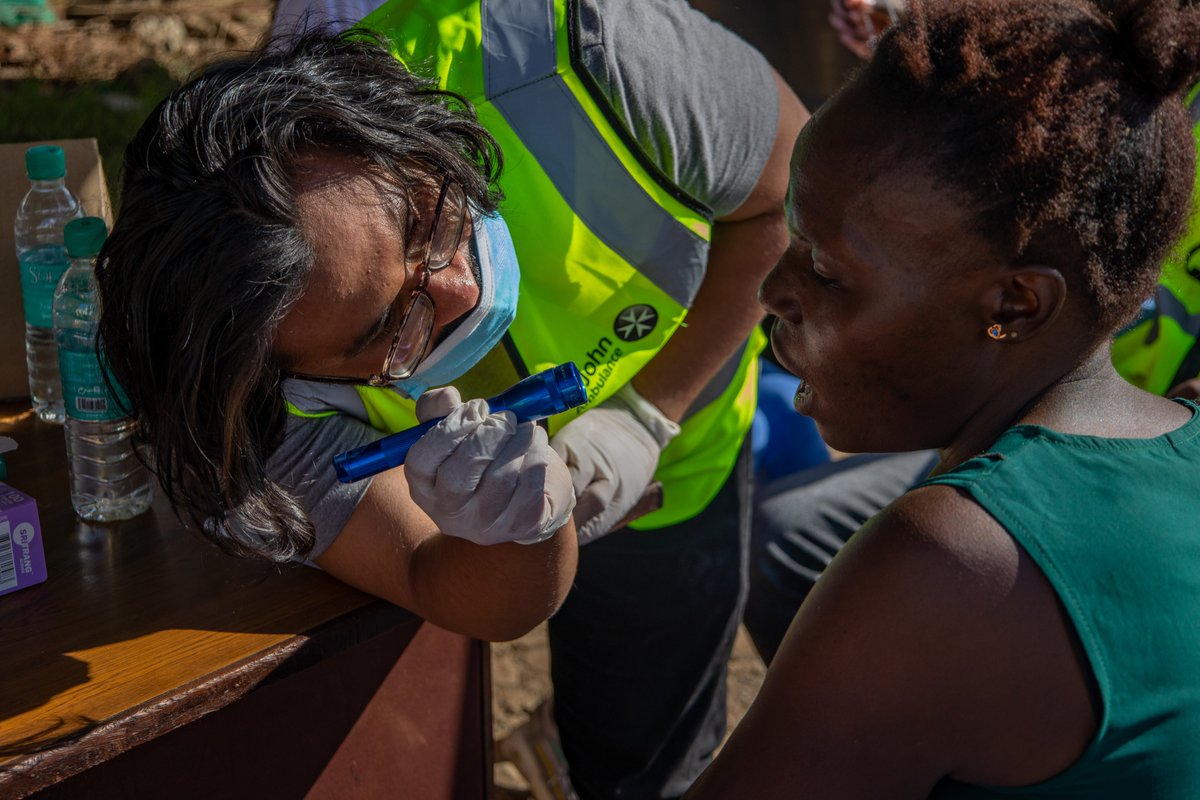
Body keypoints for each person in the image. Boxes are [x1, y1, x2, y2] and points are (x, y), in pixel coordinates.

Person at [95, 2, 807, 797]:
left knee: (643, 754)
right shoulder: (253, 405)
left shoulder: (577, 52)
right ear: (297, 382)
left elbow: (795, 194)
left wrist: (649, 416)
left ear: (391, 129)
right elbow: (461, 590)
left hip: (683, 455)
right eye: (393, 331)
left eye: (424, 222)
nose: (460, 285)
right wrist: (522, 530)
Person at [685, 0, 1200, 796]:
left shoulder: (949, 561)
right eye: (791, 237)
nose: (773, 290)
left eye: (825, 269)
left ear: (1014, 307)